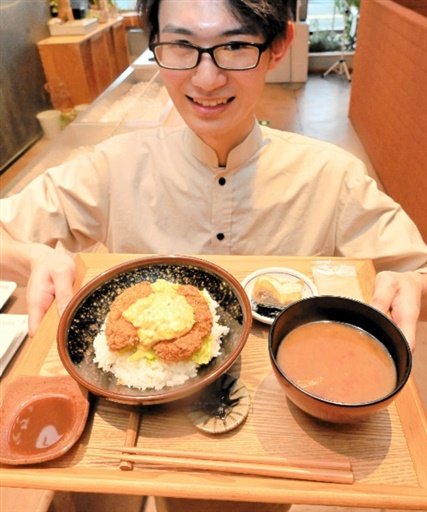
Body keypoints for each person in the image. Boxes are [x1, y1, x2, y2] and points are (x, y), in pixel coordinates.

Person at [0, 1, 426, 510]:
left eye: (234, 45)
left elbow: (414, 265)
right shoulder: (112, 167)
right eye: (181, 45)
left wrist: (414, 282)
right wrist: (29, 260)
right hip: (149, 441)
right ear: (154, 45)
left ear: (278, 46)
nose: (205, 78)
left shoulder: (331, 177)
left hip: (277, 450)